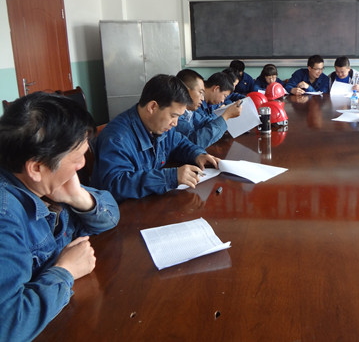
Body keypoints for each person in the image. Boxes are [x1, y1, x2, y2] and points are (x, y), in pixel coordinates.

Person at [0, 92, 120, 341]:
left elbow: (110, 216)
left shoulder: (42, 180)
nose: (82, 164)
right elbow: (8, 325)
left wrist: (79, 197)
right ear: (37, 167)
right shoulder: (6, 216)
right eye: (78, 158)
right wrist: (65, 271)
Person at [91, 74, 220, 202]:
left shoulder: (158, 125)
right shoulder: (117, 138)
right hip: (122, 210)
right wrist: (169, 177)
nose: (175, 123)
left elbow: (179, 143)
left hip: (147, 201)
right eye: (173, 116)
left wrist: (198, 155)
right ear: (152, 107)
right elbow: (115, 185)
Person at [176, 68, 241, 149]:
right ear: (185, 91)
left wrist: (224, 120)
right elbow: (194, 142)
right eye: (200, 92)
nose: (202, 98)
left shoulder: (189, 113)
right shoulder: (176, 116)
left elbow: (204, 121)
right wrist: (225, 116)